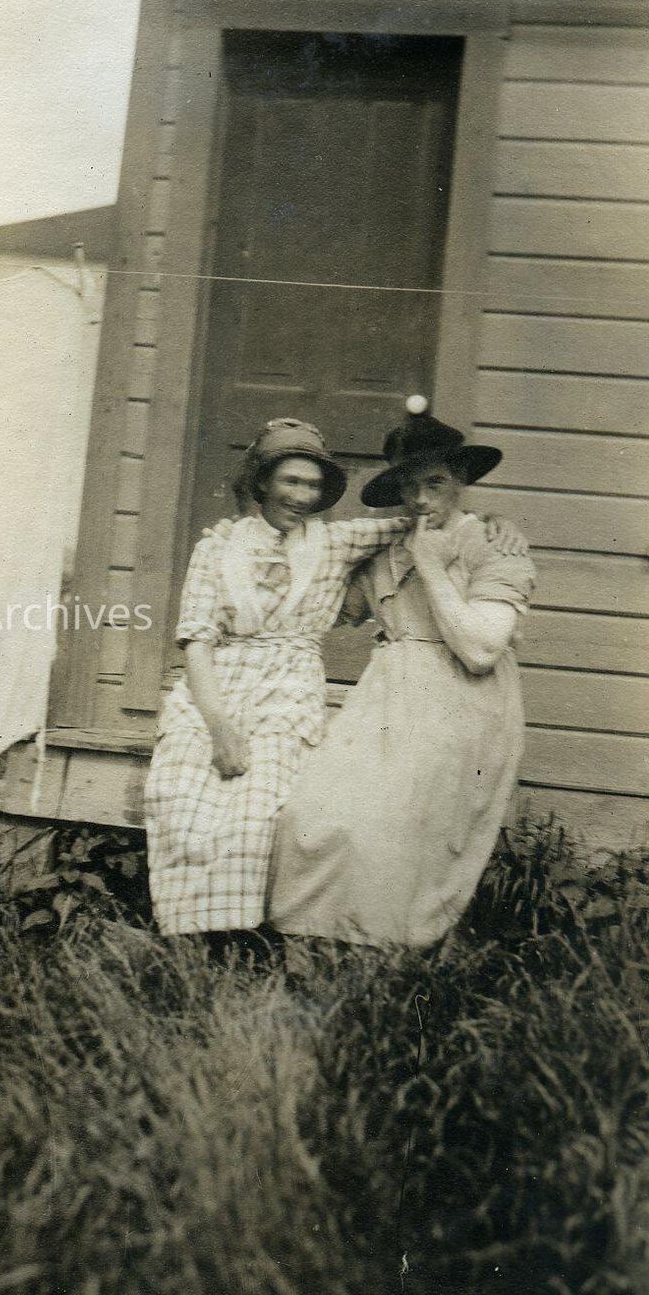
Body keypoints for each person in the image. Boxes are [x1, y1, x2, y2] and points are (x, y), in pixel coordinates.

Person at [142, 418, 419, 946]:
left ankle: (247, 942)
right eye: (291, 481)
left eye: (312, 485)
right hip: (215, 687)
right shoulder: (218, 548)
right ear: (264, 482)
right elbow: (197, 642)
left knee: (257, 811)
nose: (302, 495)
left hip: (288, 692)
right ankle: (190, 944)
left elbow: (416, 523)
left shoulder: (335, 543)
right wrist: (220, 728)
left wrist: (487, 525)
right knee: (180, 800)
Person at [270, 405, 535, 947]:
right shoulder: (386, 548)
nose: (420, 499)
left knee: (390, 827)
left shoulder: (492, 544)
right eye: (409, 486)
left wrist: (433, 564)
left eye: (434, 483)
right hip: (388, 696)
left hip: (463, 700)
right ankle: (313, 947)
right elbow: (325, 608)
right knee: (310, 812)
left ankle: (386, 955)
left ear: (460, 480)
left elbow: (481, 650)